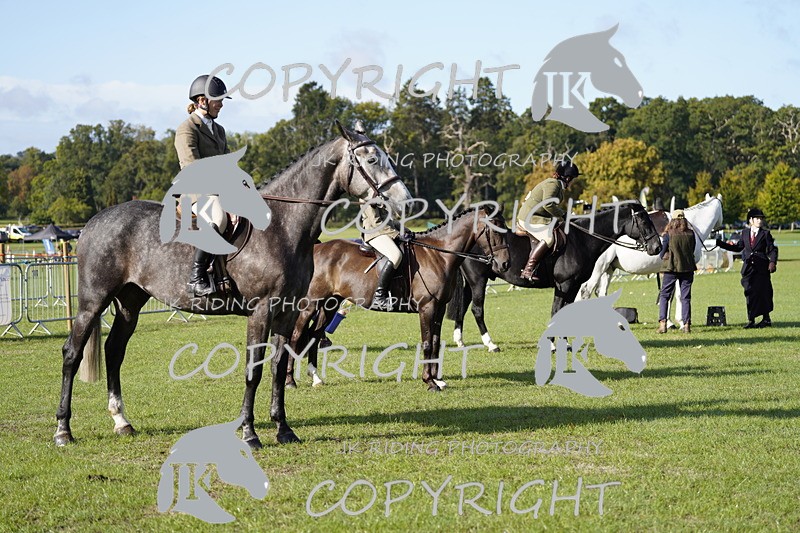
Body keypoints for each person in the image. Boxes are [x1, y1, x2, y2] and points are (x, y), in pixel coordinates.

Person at [174, 74, 232, 296]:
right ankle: (196, 278)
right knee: (218, 218)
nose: (221, 104)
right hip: (196, 192)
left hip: (220, 190)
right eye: (218, 99)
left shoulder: (219, 130)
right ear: (202, 101)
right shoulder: (187, 129)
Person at [517, 161, 580, 281]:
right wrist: (564, 215)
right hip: (530, 218)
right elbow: (548, 204)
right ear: (567, 178)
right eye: (572, 179)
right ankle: (528, 270)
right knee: (548, 238)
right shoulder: (553, 184)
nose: (572, 182)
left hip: (539, 216)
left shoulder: (557, 186)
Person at [716, 208, 778, 328]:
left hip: (762, 269)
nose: (760, 221)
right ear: (751, 220)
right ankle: (751, 319)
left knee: (763, 293)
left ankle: (766, 319)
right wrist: (721, 244)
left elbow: (772, 249)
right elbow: (739, 248)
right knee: (749, 292)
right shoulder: (744, 233)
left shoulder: (765, 234)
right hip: (748, 269)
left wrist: (773, 262)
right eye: (757, 218)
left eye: (761, 218)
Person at [656, 210, 696, 333]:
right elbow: (692, 250)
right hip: (687, 268)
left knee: (665, 296)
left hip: (670, 268)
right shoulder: (691, 233)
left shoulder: (668, 234)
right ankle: (686, 324)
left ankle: (663, 324)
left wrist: (666, 254)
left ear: (672, 220)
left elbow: (662, 253)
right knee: (685, 297)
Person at [362, 198, 403, 311]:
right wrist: (397, 235)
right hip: (374, 233)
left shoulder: (382, 195)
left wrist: (404, 229)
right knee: (396, 255)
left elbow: (389, 220)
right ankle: (379, 297)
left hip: (386, 231)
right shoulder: (367, 196)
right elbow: (376, 223)